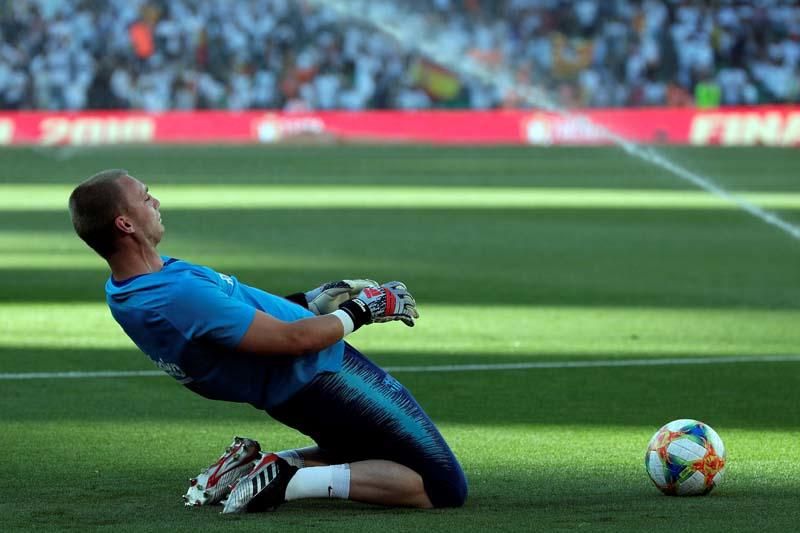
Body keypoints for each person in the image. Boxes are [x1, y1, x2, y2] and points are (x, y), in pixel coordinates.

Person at [67, 169, 467, 513]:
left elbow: (234, 322)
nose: (155, 200)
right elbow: (292, 340)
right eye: (144, 196)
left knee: (363, 455)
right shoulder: (174, 295)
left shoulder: (134, 286)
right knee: (440, 487)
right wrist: (365, 310)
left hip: (292, 389)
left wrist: (308, 302)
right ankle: (286, 479)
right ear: (125, 224)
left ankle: (253, 469)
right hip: (324, 375)